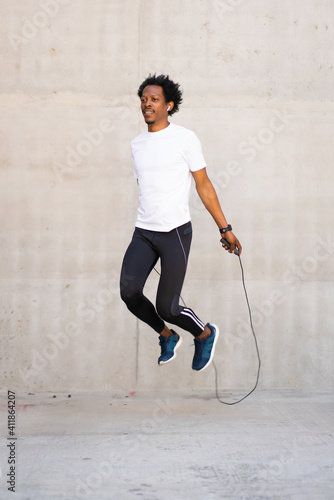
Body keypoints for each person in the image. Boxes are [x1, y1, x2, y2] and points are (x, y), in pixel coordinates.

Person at [120, 74, 242, 372]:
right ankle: (167, 336)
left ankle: (204, 334)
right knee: (129, 291)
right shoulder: (137, 144)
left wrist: (224, 228)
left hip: (175, 232)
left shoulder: (185, 138)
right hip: (144, 232)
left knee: (169, 307)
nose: (147, 104)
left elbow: (203, 184)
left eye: (154, 99)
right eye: (144, 99)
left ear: (169, 105)